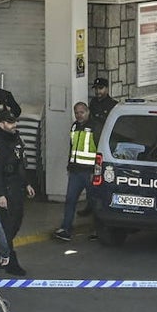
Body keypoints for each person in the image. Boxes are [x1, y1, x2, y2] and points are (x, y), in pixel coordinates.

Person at [0, 112, 35, 276]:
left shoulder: (16, 139)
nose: (14, 125)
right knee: (7, 226)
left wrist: (27, 183)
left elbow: (21, 163)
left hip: (17, 188)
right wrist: (0, 195)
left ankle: (0, 252)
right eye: (10, 122)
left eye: (14, 121)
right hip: (5, 189)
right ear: (1, 125)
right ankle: (9, 260)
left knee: (16, 223)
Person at [54, 102, 97, 242]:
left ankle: (98, 229)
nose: (79, 115)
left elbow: (99, 149)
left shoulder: (95, 127)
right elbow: (72, 148)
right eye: (76, 112)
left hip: (89, 172)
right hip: (75, 171)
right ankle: (66, 228)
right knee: (70, 200)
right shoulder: (74, 126)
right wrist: (69, 165)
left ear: (87, 112)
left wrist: (95, 171)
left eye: (81, 112)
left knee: (94, 201)